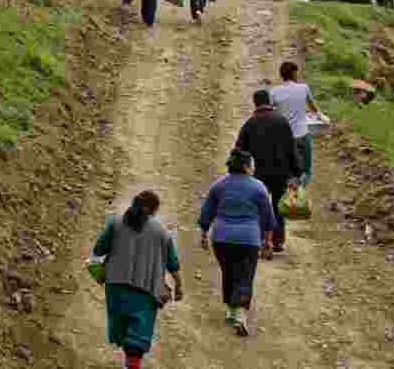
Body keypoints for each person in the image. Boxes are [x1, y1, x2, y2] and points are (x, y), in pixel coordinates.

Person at [93, 190, 183, 369]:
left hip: (115, 285)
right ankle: (131, 364)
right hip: (146, 288)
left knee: (122, 326)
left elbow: (98, 250)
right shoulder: (162, 232)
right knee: (138, 333)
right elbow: (173, 264)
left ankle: (129, 363)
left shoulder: (116, 223)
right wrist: (179, 286)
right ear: (153, 210)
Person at [197, 149, 277, 337]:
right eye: (252, 164)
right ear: (246, 167)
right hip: (248, 239)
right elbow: (268, 218)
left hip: (222, 239)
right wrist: (267, 241)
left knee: (229, 271)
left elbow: (206, 212)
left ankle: (231, 309)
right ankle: (240, 313)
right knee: (245, 274)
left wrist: (203, 234)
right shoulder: (258, 187)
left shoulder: (219, 186)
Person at [234, 89, 302, 254]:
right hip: (281, 173)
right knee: (278, 207)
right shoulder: (282, 121)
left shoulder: (250, 124)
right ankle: (277, 241)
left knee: (258, 208)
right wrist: (297, 171)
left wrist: (239, 172)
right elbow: (291, 148)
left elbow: (238, 151)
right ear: (269, 102)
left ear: (255, 103)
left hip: (257, 175)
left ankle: (259, 240)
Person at [270, 62, 323, 187]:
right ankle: (300, 193)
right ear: (294, 73)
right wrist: (323, 118)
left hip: (283, 138)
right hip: (302, 136)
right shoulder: (303, 88)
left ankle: (288, 194)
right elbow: (315, 109)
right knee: (306, 171)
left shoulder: (274, 92)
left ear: (282, 75)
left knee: (285, 169)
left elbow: (271, 113)